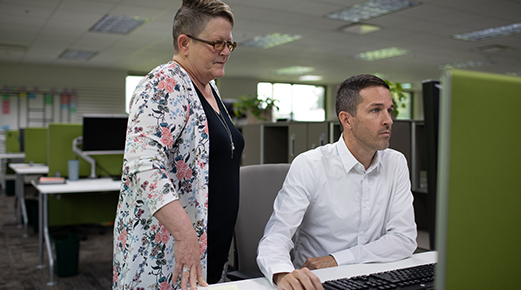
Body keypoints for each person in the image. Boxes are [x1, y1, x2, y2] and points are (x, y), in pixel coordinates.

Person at [112, 0, 244, 289]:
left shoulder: (210, 89)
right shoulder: (163, 83)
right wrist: (186, 236)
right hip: (168, 254)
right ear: (185, 43)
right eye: (217, 43)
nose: (225, 51)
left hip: (209, 251)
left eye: (230, 44)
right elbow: (144, 165)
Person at [256, 74, 417, 290]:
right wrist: (283, 275)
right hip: (320, 282)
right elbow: (276, 237)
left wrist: (338, 258)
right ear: (347, 119)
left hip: (374, 277)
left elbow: (404, 239)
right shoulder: (310, 165)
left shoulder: (396, 162)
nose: (388, 119)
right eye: (376, 110)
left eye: (389, 110)